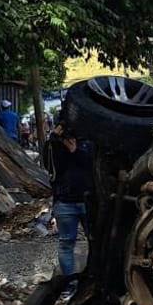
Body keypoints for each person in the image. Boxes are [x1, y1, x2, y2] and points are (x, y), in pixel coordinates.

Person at [48, 122, 95, 293]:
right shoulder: (55, 146)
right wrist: (54, 141)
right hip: (65, 201)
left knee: (95, 241)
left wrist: (75, 151)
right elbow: (51, 168)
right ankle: (69, 284)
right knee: (66, 243)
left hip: (87, 201)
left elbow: (92, 165)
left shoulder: (88, 143)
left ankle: (92, 280)